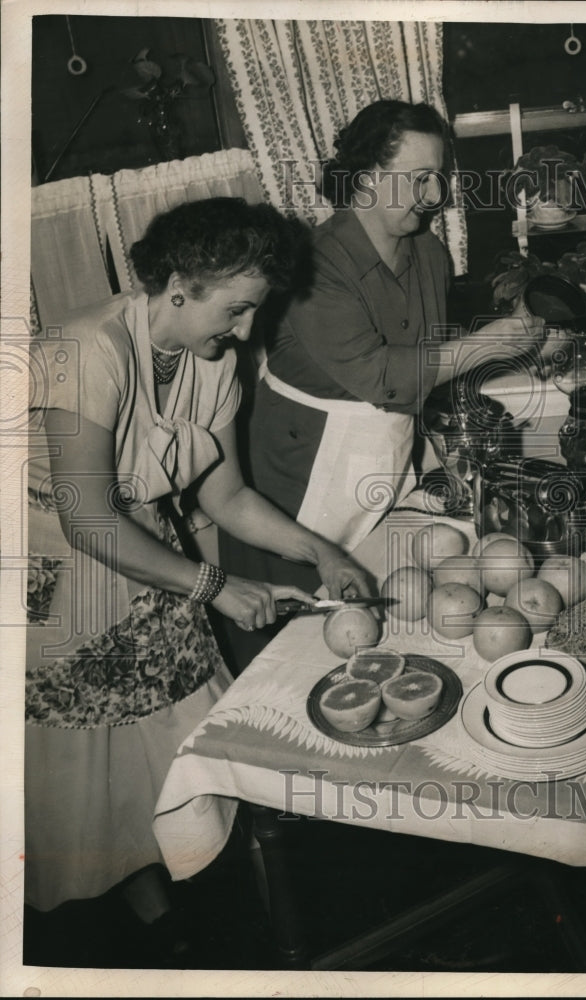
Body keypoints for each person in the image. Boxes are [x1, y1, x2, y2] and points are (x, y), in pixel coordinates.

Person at [24, 197, 370, 959]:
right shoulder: (85, 349)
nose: (245, 332)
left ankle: (192, 902)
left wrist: (322, 553)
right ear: (179, 284)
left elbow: (229, 498)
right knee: (87, 776)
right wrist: (212, 586)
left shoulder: (214, 364)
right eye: (237, 310)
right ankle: (119, 926)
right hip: (55, 577)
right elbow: (86, 519)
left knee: (177, 744)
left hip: (146, 555)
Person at [218, 99, 544, 669]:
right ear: (367, 178)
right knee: (292, 653)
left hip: (381, 469)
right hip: (292, 491)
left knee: (380, 631)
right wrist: (497, 341)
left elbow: (431, 363)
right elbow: (381, 376)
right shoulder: (314, 265)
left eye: (438, 179)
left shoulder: (430, 254)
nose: (435, 195)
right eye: (419, 179)